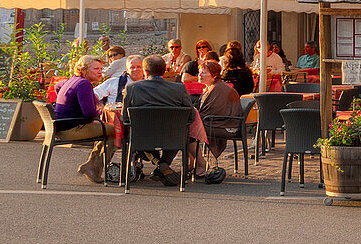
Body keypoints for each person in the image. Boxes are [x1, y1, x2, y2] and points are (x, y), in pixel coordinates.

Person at [121, 54, 197, 186]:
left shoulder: (132, 88)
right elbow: (191, 116)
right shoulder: (179, 88)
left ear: (145, 71)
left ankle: (160, 165)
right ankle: (163, 166)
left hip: (142, 136)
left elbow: (125, 118)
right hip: (173, 136)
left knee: (134, 133)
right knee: (181, 131)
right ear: (165, 70)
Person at [53, 54, 117, 184]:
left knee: (107, 131)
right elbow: (89, 113)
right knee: (117, 132)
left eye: (101, 69)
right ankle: (93, 167)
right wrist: (101, 109)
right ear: (84, 70)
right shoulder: (84, 84)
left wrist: (68, 103)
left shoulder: (72, 80)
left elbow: (57, 87)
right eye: (96, 69)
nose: (100, 72)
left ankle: (92, 165)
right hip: (72, 129)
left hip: (61, 127)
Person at [199, 59, 242, 172]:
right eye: (199, 71)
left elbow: (213, 112)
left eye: (203, 72)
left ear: (214, 75)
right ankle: (198, 163)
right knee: (189, 126)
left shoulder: (219, 89)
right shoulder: (210, 87)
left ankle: (199, 164)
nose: (200, 74)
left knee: (188, 129)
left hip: (225, 126)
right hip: (217, 122)